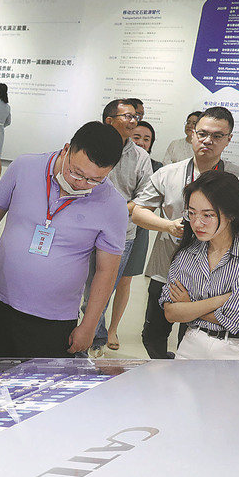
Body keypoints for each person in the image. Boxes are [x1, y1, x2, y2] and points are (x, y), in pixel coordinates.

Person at [0, 121, 128, 359]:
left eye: (95, 180)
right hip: (2, 302)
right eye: (76, 172)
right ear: (66, 149)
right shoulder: (25, 167)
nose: (81, 183)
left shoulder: (113, 205)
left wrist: (89, 326)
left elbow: (106, 272)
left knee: (41, 390)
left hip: (55, 320)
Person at [131, 106, 239, 359]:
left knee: (192, 335)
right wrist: (168, 226)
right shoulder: (169, 173)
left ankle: (182, 376)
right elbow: (138, 212)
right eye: (202, 133)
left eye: (217, 136)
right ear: (191, 134)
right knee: (153, 333)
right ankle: (162, 370)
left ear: (228, 140)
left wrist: (214, 234)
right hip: (167, 265)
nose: (207, 141)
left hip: (212, 272)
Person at [161, 170, 239, 359]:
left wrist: (190, 307)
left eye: (207, 215)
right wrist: (221, 300)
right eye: (191, 213)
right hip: (192, 341)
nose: (197, 223)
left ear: (231, 214)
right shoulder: (188, 252)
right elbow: (171, 312)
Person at [80, 99, 153, 356]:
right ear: (109, 120)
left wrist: (118, 212)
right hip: (83, 229)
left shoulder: (141, 157)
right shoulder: (90, 148)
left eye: (135, 116)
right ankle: (79, 332)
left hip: (122, 234)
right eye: (127, 116)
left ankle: (95, 340)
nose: (133, 121)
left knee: (101, 291)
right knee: (75, 285)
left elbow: (146, 198)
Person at [108, 120, 162, 349]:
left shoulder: (156, 166)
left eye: (146, 139)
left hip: (136, 231)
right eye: (137, 136)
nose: (140, 141)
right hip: (110, 226)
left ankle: (112, 330)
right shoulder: (112, 156)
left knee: (124, 280)